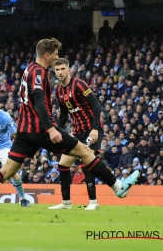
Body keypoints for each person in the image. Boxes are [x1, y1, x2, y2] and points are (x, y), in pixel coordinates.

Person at [0, 38, 139, 212]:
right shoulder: (39, 73)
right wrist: (51, 128)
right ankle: (119, 187)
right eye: (56, 54)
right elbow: (39, 102)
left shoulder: (28, 69)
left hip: (24, 130)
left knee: (6, 171)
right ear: (47, 55)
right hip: (40, 129)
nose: (57, 58)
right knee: (86, 153)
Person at [49, 58, 103, 211]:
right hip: (77, 131)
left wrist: (94, 129)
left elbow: (96, 106)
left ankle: (93, 202)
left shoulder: (79, 84)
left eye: (62, 69)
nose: (60, 72)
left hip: (91, 129)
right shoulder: (59, 90)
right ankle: (66, 202)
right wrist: (57, 131)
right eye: (57, 70)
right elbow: (64, 115)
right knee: (63, 164)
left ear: (69, 70)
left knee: (87, 163)